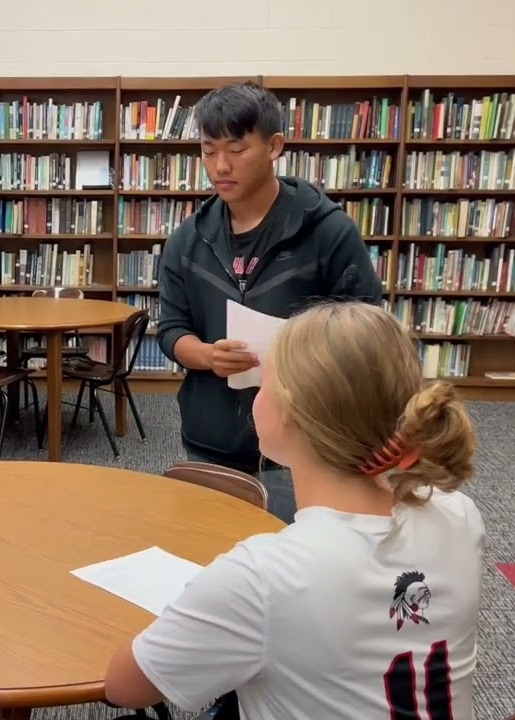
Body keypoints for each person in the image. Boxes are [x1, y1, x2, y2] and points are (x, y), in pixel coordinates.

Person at [104, 301, 483, 719]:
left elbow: (124, 687)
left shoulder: (265, 575)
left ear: (289, 414)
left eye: (263, 382)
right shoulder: (459, 514)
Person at [156, 81, 384, 523]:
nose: (220, 165)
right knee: (210, 557)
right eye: (208, 150)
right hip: (210, 435)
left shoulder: (328, 232)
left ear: (274, 146)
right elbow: (170, 328)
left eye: (237, 149)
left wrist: (303, 358)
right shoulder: (188, 239)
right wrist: (204, 355)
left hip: (303, 442)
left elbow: (367, 328)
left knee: (291, 563)